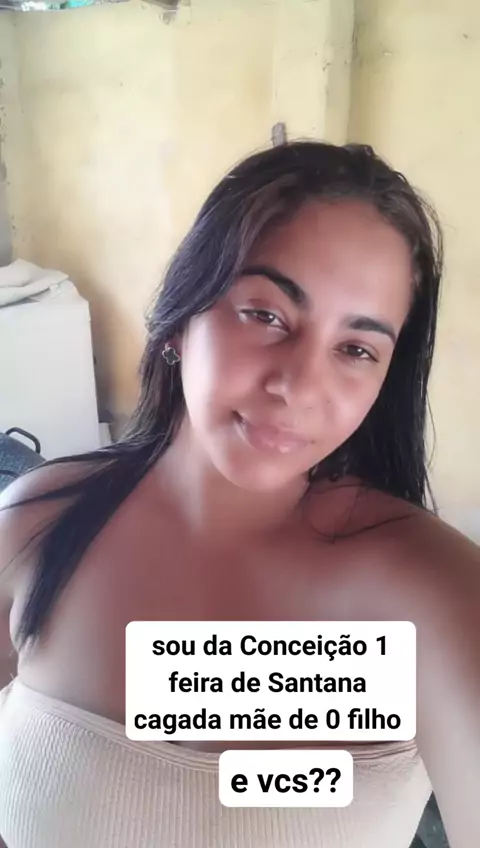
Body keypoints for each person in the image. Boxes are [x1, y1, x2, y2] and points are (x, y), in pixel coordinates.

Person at [0, 141, 478, 848]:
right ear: (179, 318)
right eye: (267, 314)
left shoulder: (436, 591)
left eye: (357, 349)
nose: (298, 387)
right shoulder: (36, 527)